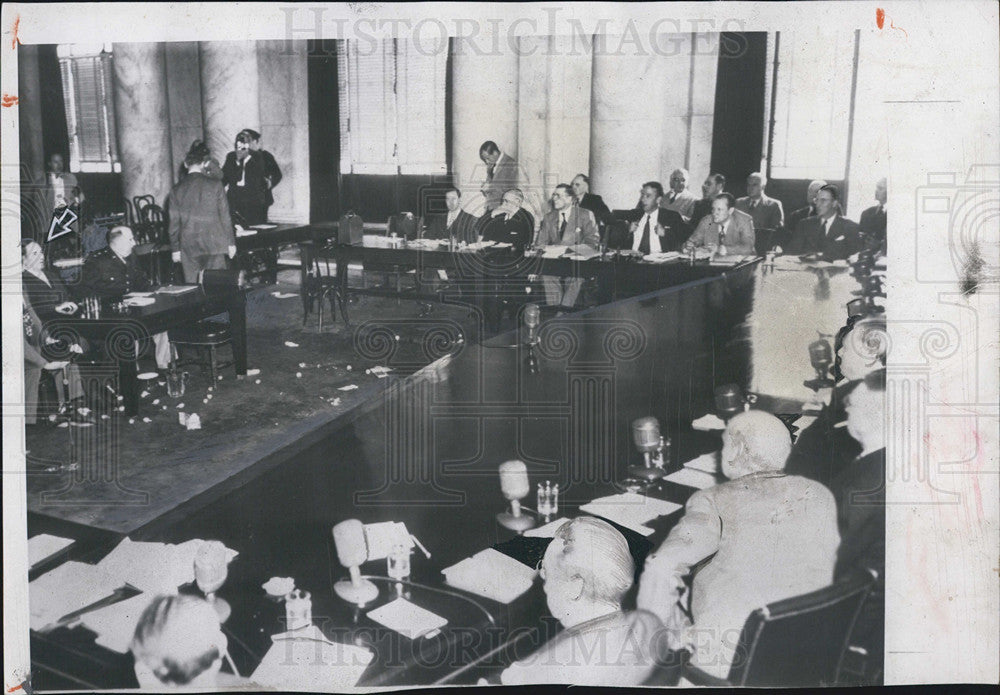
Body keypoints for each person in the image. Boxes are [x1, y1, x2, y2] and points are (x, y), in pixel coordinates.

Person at [637, 411, 839, 679]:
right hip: (807, 649)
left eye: (724, 444)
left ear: (738, 451)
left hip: (734, 663)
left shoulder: (713, 499)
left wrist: (664, 640)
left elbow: (662, 568)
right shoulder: (820, 494)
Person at [499, 518, 662, 686]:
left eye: (546, 572)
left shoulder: (547, 671)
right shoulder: (648, 622)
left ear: (575, 587)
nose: (542, 580)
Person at [831, 370, 887, 683]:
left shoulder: (863, 487)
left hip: (851, 620)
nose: (847, 408)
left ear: (876, 415)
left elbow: (829, 561)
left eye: (853, 404)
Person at [785, 316, 888, 485]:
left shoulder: (855, 397)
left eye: (845, 348)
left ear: (871, 353)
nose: (839, 353)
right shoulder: (848, 389)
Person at [80, 226, 173, 370]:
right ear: (116, 241)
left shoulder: (131, 257)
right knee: (129, 330)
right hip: (110, 314)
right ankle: (132, 373)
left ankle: (165, 367)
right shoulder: (97, 261)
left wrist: (160, 290)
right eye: (130, 239)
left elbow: (141, 283)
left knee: (162, 322)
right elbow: (87, 292)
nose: (134, 243)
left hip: (134, 306)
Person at [131, 594, 246, 688]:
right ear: (216, 665)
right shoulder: (210, 678)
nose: (222, 638)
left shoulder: (145, 671)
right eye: (217, 631)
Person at [167, 140, 237, 283]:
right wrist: (231, 243)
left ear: (186, 165)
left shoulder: (176, 190)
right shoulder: (216, 185)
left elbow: (173, 224)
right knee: (216, 287)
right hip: (215, 243)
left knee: (193, 289)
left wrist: (175, 249)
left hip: (189, 246)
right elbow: (225, 217)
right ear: (202, 164)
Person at [22, 298, 90, 425]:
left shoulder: (22, 288)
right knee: (34, 368)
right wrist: (44, 364)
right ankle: (26, 423)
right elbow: (17, 342)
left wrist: (47, 338)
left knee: (66, 357)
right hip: (15, 353)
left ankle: (72, 408)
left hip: (32, 346)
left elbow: (33, 320)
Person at [535, 184, 600, 309]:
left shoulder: (585, 214)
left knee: (575, 276)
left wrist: (568, 250)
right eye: (554, 195)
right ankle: (556, 309)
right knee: (547, 273)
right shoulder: (549, 217)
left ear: (570, 198)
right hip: (555, 261)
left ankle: (563, 312)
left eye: (558, 195)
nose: (554, 198)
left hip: (577, 261)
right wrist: (548, 250)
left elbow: (593, 241)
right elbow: (540, 243)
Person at [788, 184, 861, 260]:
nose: (818, 205)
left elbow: (855, 259)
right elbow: (792, 253)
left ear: (834, 203)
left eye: (823, 200)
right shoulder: (804, 224)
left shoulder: (851, 227)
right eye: (817, 200)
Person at [615, 182, 688, 253]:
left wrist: (666, 233)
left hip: (659, 262)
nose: (643, 199)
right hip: (633, 260)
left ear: (658, 199)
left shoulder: (671, 216)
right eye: (642, 195)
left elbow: (685, 238)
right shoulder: (634, 214)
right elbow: (616, 241)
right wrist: (627, 231)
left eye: (648, 196)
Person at [21, 240, 78, 323]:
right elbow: (30, 309)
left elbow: (66, 296)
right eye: (35, 253)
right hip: (44, 328)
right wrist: (55, 309)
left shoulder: (52, 275)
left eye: (41, 252)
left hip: (66, 323)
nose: (41, 257)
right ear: (24, 259)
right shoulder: (23, 280)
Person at [683, 193, 755, 256]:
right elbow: (692, 241)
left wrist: (723, 249)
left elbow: (747, 248)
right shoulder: (707, 221)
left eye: (719, 209)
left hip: (743, 266)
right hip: (713, 265)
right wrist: (688, 246)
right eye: (713, 209)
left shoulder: (744, 220)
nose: (714, 213)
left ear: (730, 210)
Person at [222, 131, 268, 226]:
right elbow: (224, 177)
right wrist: (238, 162)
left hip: (252, 200)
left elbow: (258, 178)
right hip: (235, 199)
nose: (241, 146)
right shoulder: (231, 157)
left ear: (249, 144)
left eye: (245, 143)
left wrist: (246, 159)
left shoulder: (257, 157)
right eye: (238, 143)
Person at [241, 129, 283, 219]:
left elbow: (277, 174)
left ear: (255, 141)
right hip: (242, 200)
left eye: (248, 141)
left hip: (261, 200)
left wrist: (269, 183)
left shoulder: (266, 156)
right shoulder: (238, 156)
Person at [479, 188, 534, 253]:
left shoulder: (526, 216)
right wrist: (491, 216)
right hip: (494, 253)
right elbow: (483, 232)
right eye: (502, 201)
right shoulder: (500, 215)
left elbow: (525, 241)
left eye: (506, 201)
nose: (503, 204)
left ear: (517, 202)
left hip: (513, 255)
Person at [782, 179, 827, 251]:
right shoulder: (796, 215)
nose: (811, 194)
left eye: (816, 192)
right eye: (809, 191)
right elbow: (787, 240)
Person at [735, 172, 784, 237]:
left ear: (763, 187)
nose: (750, 188)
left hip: (762, 244)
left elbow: (777, 232)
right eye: (748, 185)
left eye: (754, 185)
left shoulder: (773, 205)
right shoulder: (739, 203)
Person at [479, 141, 519, 213]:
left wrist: (490, 187)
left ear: (495, 153)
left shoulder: (510, 163)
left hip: (502, 209)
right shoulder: (491, 165)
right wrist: (485, 188)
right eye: (485, 159)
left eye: (488, 158)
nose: (487, 162)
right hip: (490, 208)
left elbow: (511, 189)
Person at [40, 152, 84, 216]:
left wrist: (75, 205)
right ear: (49, 164)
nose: (59, 165)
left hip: (68, 217)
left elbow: (81, 196)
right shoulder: (43, 181)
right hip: (51, 218)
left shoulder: (70, 178)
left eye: (61, 161)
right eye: (55, 162)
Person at [858, 177, 887, 255]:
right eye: (876, 187)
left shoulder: (896, 215)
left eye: (880, 188)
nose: (876, 191)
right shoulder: (866, 213)